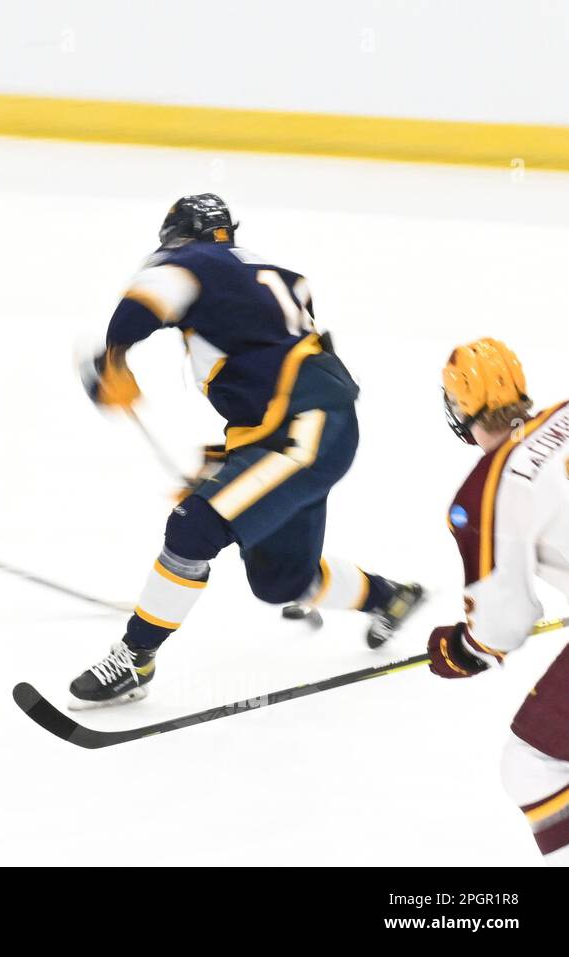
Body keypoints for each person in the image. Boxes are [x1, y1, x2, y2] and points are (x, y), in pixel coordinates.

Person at [71, 193, 422, 709]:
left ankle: (135, 657)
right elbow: (273, 368)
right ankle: (389, 596)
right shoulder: (269, 275)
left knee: (194, 527)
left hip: (306, 431)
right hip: (307, 429)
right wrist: (227, 461)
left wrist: (115, 355)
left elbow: (145, 299)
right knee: (282, 581)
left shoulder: (190, 260)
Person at [427, 338, 569, 864]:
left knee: (532, 765)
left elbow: (502, 622)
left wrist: (462, 650)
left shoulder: (485, 491)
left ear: (460, 408)